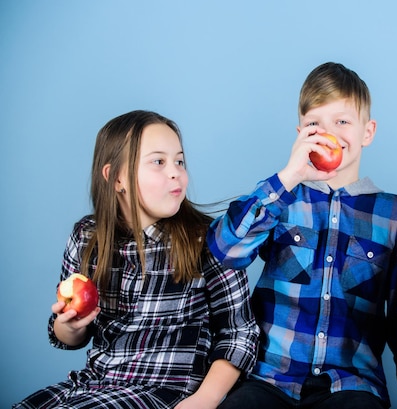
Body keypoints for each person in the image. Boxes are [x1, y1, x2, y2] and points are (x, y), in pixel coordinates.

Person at [207, 62, 397, 409]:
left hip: (352, 385)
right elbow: (225, 248)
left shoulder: (395, 215)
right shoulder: (282, 199)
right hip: (269, 379)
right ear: (299, 133)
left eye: (342, 121)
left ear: (368, 132)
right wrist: (288, 177)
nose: (329, 133)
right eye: (314, 124)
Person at [14, 110, 259, 409]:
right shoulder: (86, 238)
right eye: (158, 162)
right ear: (116, 178)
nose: (175, 172)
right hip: (95, 383)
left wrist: (204, 400)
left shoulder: (210, 241)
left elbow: (240, 334)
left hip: (166, 390)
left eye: (179, 161)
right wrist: (70, 326)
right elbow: (69, 337)